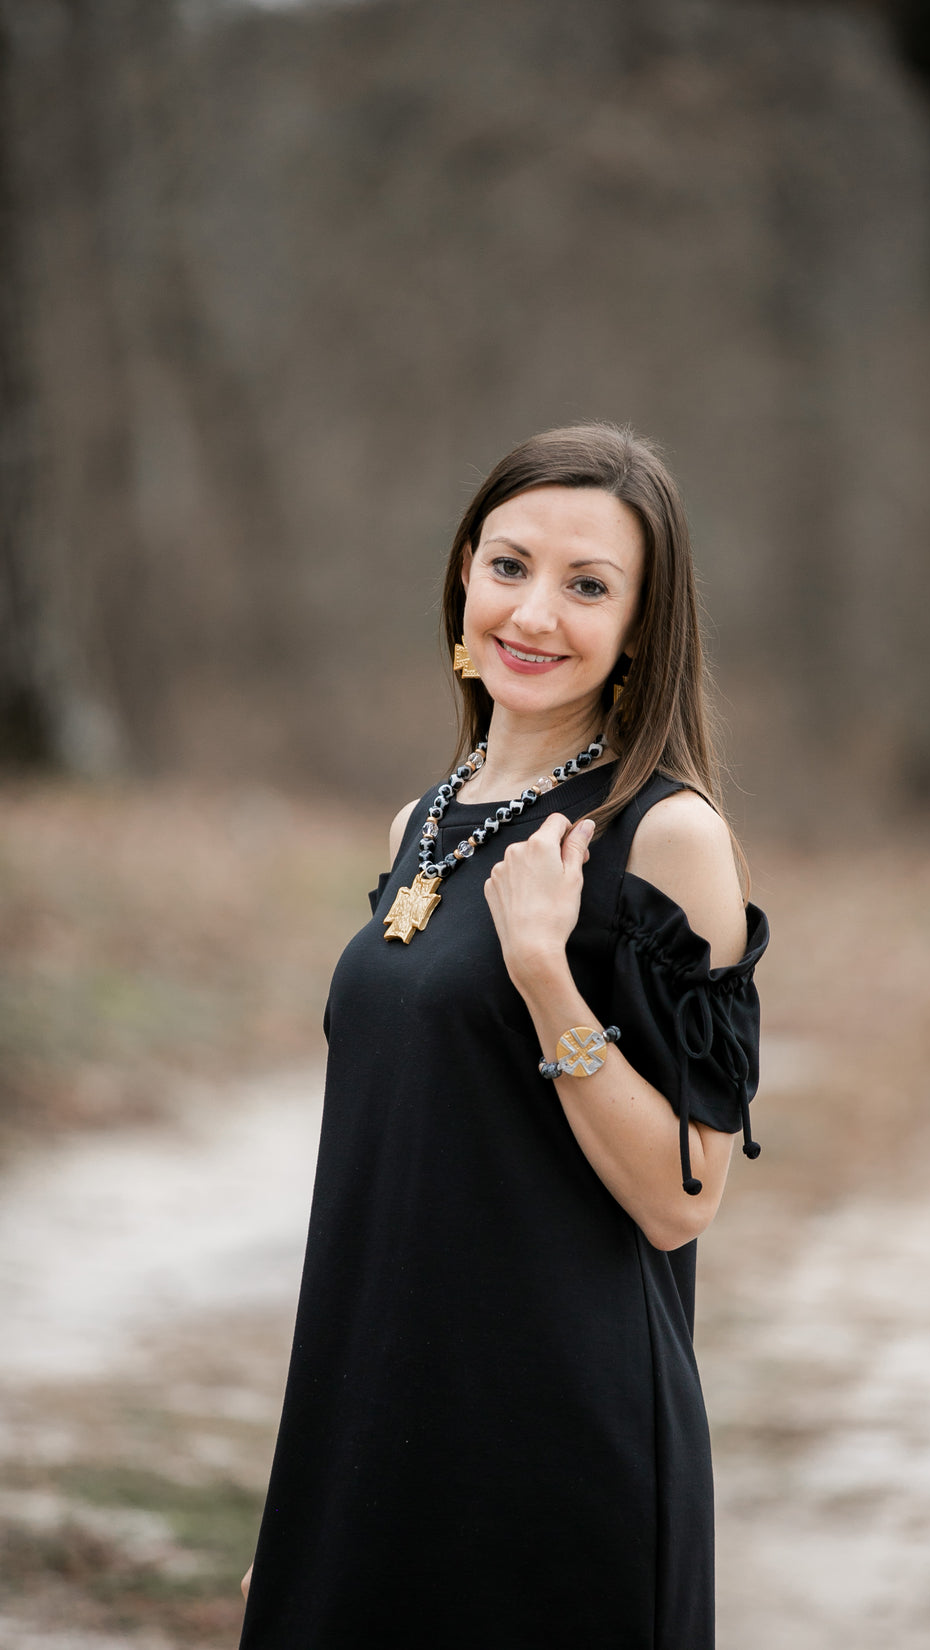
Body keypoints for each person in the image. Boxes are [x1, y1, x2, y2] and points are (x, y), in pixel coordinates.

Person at [238, 423, 768, 1650]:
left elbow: (683, 1199)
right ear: (461, 581)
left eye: (588, 586)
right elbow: (381, 1191)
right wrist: (304, 1513)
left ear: (641, 625)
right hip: (374, 1429)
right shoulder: (416, 825)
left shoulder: (667, 839)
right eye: (508, 566)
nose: (534, 613)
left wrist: (546, 977)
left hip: (549, 1450)